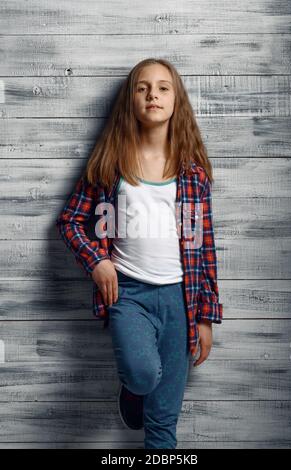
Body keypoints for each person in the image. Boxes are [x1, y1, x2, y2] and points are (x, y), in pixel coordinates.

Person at [56, 57, 223, 449]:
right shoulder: (111, 166)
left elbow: (204, 245)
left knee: (163, 426)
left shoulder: (192, 174)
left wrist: (206, 315)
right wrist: (97, 261)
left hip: (181, 298)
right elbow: (70, 222)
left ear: (176, 101)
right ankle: (132, 391)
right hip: (128, 294)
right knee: (143, 375)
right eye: (142, 87)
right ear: (130, 100)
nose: (153, 94)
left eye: (164, 87)